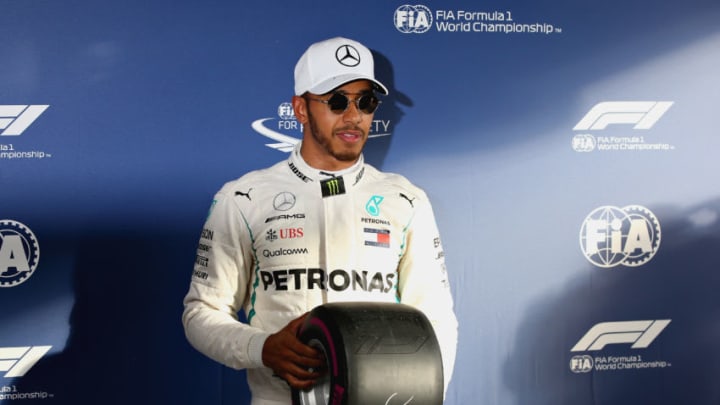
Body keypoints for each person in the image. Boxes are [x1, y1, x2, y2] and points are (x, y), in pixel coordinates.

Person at [182, 36, 458, 405]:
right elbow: (201, 313)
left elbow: (435, 319)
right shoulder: (243, 197)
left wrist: (422, 395)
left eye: (366, 102)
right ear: (300, 108)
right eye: (337, 101)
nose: (353, 115)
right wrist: (261, 348)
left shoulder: (406, 200)